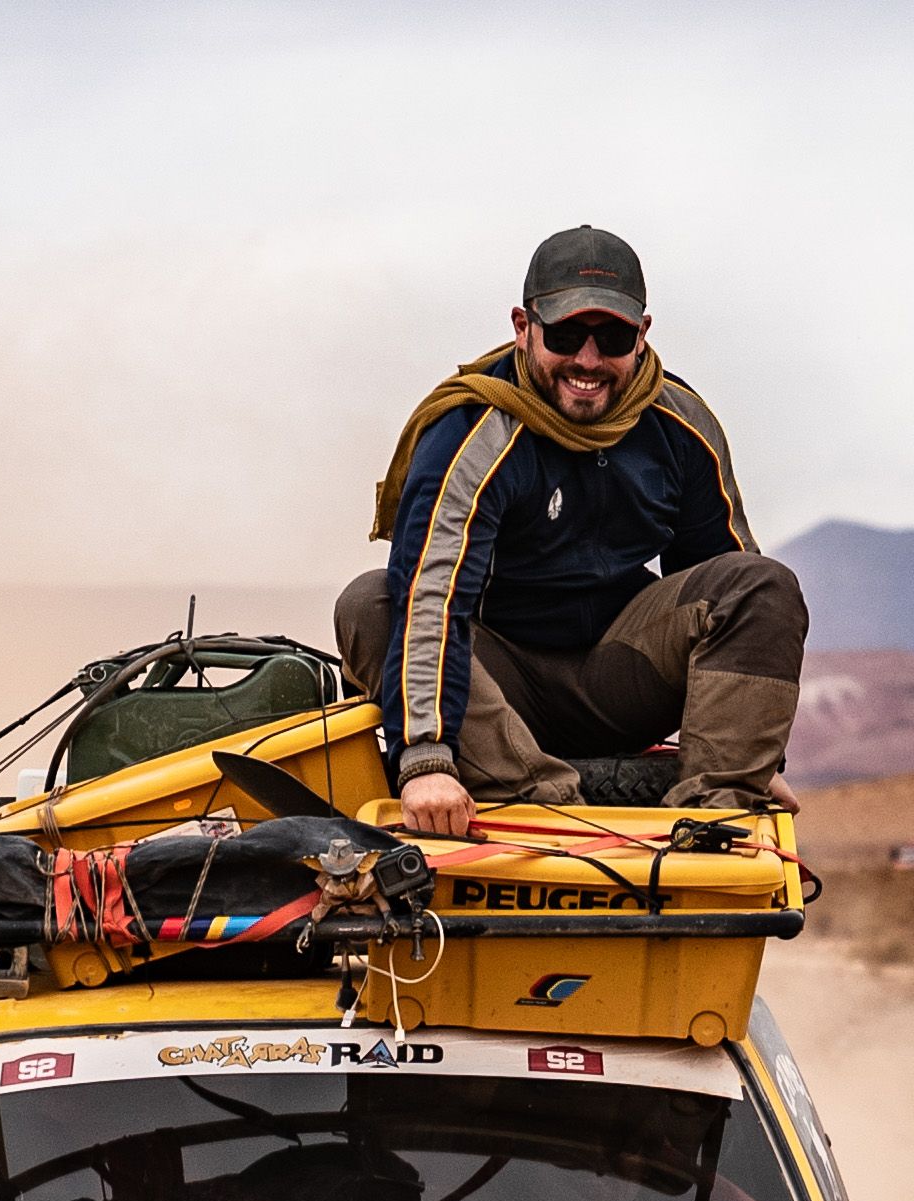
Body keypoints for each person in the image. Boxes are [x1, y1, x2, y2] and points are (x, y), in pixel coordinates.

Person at [341, 228, 805, 836]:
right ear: (522, 326)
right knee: (371, 602)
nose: (587, 360)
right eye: (565, 335)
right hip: (499, 695)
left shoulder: (681, 423)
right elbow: (432, 597)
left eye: (611, 337)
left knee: (762, 585)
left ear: (641, 335)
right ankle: (555, 811)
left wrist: (748, 754)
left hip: (621, 678)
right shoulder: (470, 431)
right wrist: (425, 758)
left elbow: (719, 573)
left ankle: (710, 820)